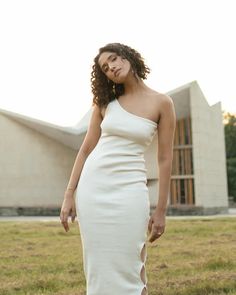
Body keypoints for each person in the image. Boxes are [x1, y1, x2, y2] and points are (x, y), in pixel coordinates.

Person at [60, 42, 176, 295]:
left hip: (131, 190)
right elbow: (86, 148)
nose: (111, 66)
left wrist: (161, 210)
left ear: (128, 57)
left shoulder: (162, 103)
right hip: (94, 188)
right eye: (105, 67)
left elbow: (165, 158)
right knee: (98, 264)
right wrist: (70, 194)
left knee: (132, 263)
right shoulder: (105, 103)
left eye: (114, 59)